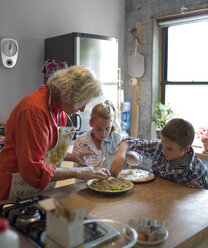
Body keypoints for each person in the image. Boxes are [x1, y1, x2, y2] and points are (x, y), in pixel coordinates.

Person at [0, 65, 110, 200]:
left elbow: (42, 151)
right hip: (11, 189)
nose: (82, 109)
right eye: (83, 102)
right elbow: (33, 170)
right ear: (71, 94)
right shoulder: (34, 111)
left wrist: (72, 157)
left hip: (35, 190)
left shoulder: (60, 111)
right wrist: (78, 172)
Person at [110, 118, 208, 189]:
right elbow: (129, 141)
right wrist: (120, 157)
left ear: (186, 148)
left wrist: (198, 191)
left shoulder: (198, 172)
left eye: (169, 149)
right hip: (155, 199)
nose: (163, 150)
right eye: (163, 144)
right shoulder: (159, 146)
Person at [72, 100, 142, 171]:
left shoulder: (117, 139)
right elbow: (76, 170)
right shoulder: (81, 142)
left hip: (112, 181)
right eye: (99, 129)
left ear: (111, 125)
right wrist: (92, 170)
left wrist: (123, 155)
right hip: (86, 181)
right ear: (91, 123)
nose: (103, 133)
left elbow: (137, 160)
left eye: (107, 129)